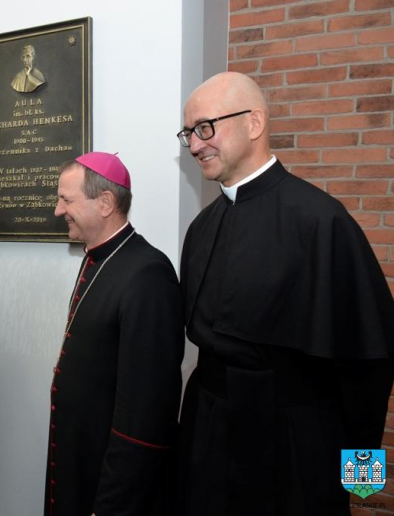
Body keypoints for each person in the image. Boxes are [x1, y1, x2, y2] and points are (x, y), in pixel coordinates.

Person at [176, 72, 394, 516]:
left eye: (205, 128)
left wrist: (362, 481)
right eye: (189, 134)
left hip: (294, 450)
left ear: (254, 124)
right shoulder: (201, 228)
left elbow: (368, 365)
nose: (196, 145)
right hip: (208, 438)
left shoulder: (322, 221)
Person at [47, 152, 184, 515]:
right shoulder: (95, 257)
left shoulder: (147, 274)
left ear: (105, 202)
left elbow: (147, 411)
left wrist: (113, 502)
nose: (59, 211)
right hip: (81, 453)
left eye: (67, 199)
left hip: (112, 477)